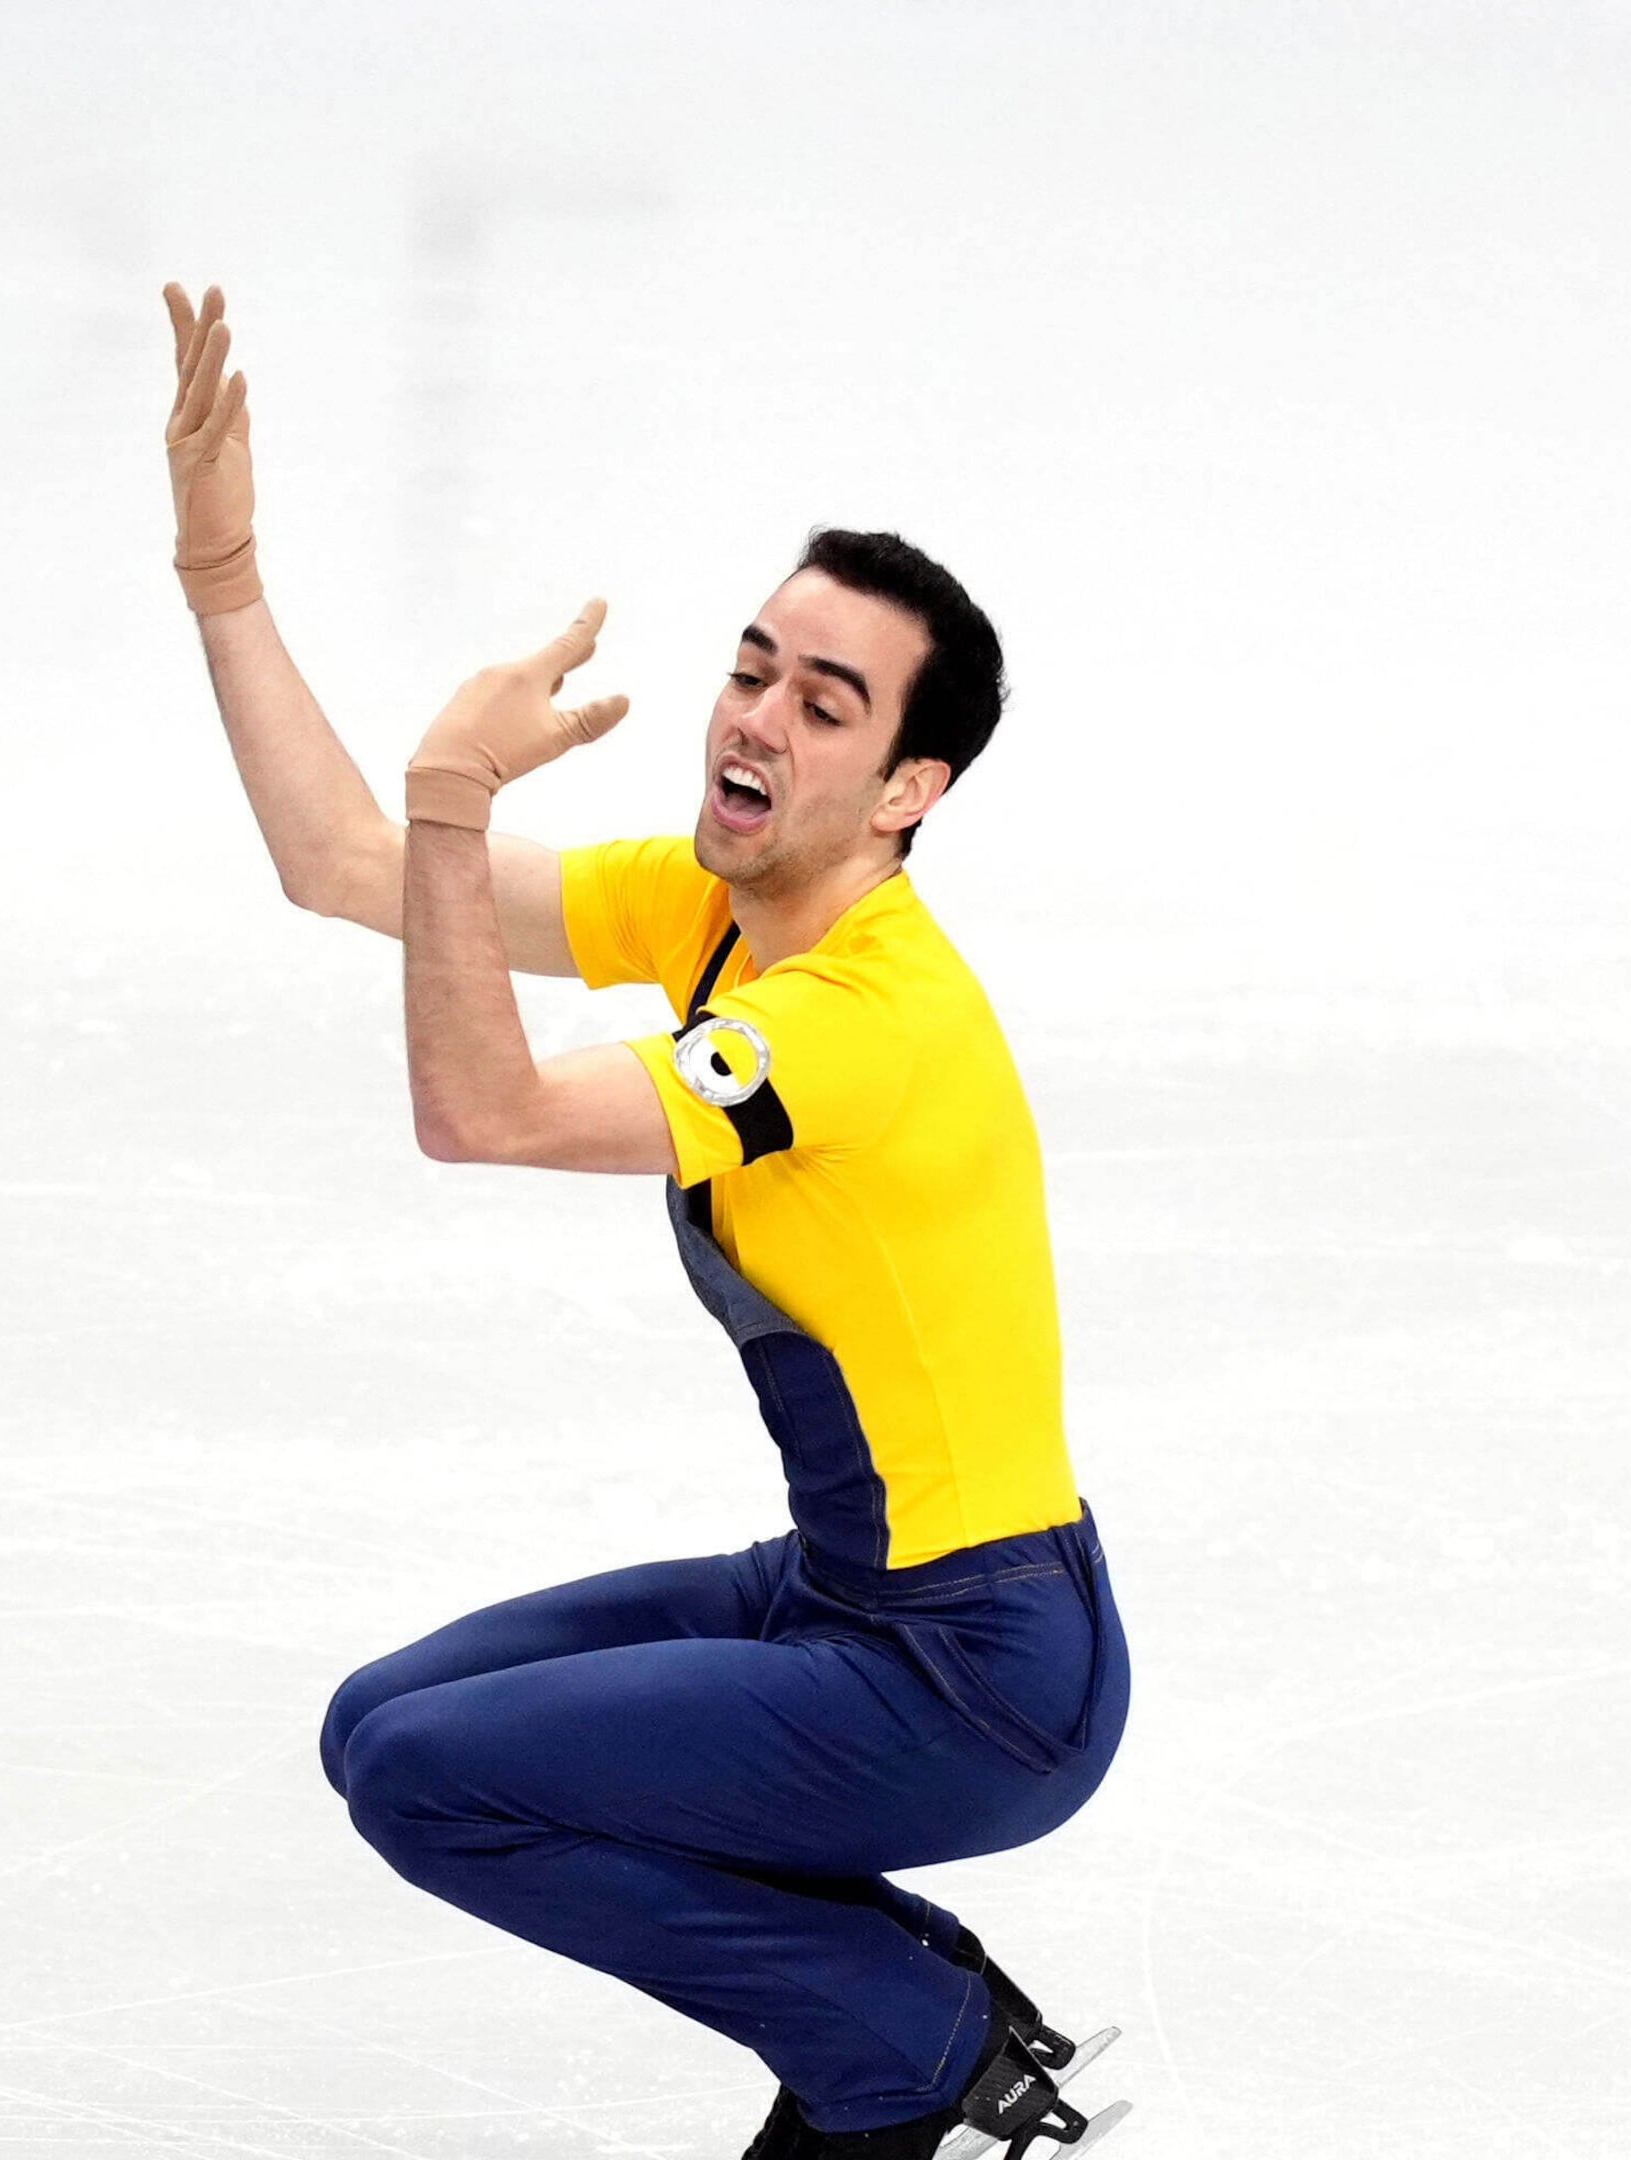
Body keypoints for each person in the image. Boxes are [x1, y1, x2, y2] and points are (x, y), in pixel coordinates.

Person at [160, 282, 1131, 2160]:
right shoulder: (716, 908)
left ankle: (907, 2035)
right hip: (851, 1597)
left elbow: (484, 1109)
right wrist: (226, 576)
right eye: (755, 664)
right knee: (390, 1731)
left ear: (910, 791)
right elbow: (348, 868)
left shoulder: (859, 1020)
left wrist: (458, 793)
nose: (756, 717)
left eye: (824, 703)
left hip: (972, 1668)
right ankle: (909, 2011)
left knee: (444, 1782)